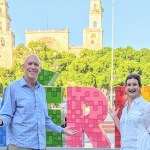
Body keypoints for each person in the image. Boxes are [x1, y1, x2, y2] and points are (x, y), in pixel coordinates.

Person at [0, 54, 78, 150]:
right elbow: (6, 115)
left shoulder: (41, 90)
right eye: (30, 64)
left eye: (36, 65)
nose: (33, 67)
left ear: (40, 69)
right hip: (19, 146)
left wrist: (62, 130)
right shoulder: (13, 88)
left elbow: (45, 119)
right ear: (23, 67)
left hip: (40, 146)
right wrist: (1, 121)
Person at [109, 74, 150, 150]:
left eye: (134, 84)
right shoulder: (125, 107)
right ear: (125, 87)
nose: (131, 87)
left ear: (140, 87)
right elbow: (124, 132)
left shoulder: (146, 106)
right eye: (129, 85)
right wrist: (115, 118)